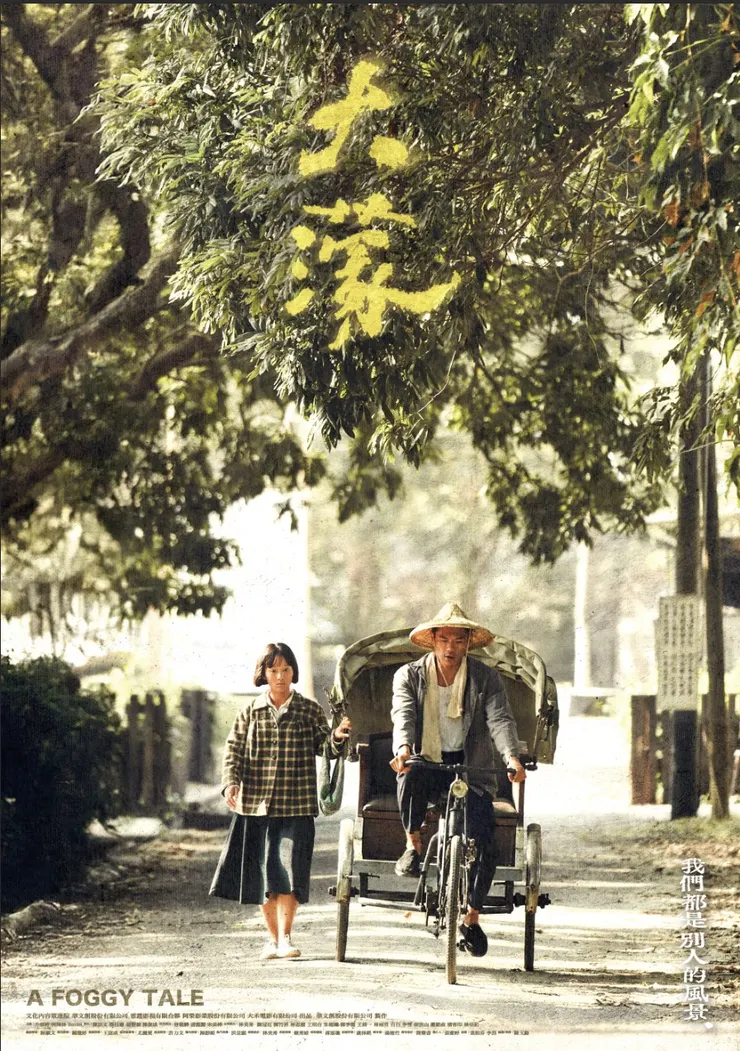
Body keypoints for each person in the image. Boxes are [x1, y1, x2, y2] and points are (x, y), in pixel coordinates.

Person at [390, 602, 525, 958]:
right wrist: (403, 748)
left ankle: (471, 917)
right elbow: (403, 713)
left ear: (468, 643)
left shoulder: (485, 677)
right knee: (411, 772)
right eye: (444, 639)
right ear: (433, 640)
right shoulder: (410, 675)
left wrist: (511, 757)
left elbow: (500, 719)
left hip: (471, 767)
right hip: (428, 760)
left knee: (484, 843)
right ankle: (414, 844)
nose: (451, 648)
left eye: (459, 640)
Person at [209, 642, 351, 960]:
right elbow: (232, 750)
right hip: (255, 806)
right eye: (273, 670)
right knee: (263, 876)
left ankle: (286, 938)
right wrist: (231, 783)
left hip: (296, 804)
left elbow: (325, 746)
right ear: (264, 674)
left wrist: (337, 738)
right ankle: (273, 940)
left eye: (285, 669)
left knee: (289, 872)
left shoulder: (309, 710)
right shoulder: (249, 712)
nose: (280, 676)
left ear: (292, 673)